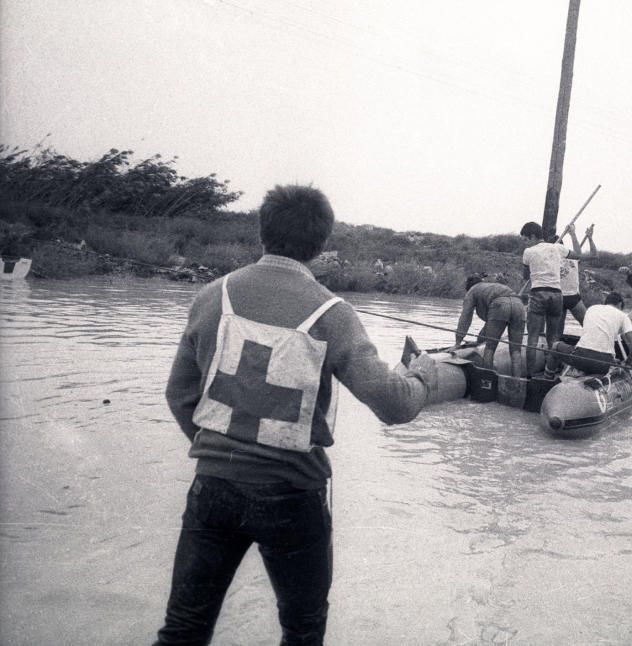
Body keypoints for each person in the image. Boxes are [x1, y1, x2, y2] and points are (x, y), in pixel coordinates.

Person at [155, 185, 438, 646]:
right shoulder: (334, 313)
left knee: (184, 628)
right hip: (291, 496)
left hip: (213, 489)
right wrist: (422, 377)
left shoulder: (212, 295)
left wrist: (220, 450)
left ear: (261, 230)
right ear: (321, 243)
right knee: (302, 630)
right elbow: (395, 405)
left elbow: (178, 394)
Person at [519, 221, 580, 378]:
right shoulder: (557, 248)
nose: (525, 243)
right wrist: (573, 235)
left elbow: (526, 276)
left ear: (532, 236)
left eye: (525, 239)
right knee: (553, 338)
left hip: (539, 293)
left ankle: (530, 376)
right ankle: (549, 374)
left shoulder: (528, 252)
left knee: (532, 337)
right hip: (557, 295)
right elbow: (577, 255)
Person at [448, 275, 526, 377]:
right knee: (516, 351)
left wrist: (458, 342)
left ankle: (487, 380)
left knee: (490, 348)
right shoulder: (489, 287)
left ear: (468, 287)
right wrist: (478, 341)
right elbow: (490, 324)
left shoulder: (472, 291)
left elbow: (465, 317)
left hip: (500, 304)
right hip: (519, 305)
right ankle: (518, 383)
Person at [551, 291, 632, 376]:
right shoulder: (623, 316)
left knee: (554, 345)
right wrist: (627, 364)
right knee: (605, 359)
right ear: (619, 305)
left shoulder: (591, 309)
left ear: (605, 303)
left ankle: (548, 376)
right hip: (604, 365)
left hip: (581, 358)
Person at [558, 223, 589, 330]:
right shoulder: (549, 258)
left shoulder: (571, 256)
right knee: (558, 328)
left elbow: (578, 253)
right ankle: (556, 345)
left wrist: (573, 234)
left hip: (573, 296)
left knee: (587, 324)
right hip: (558, 297)